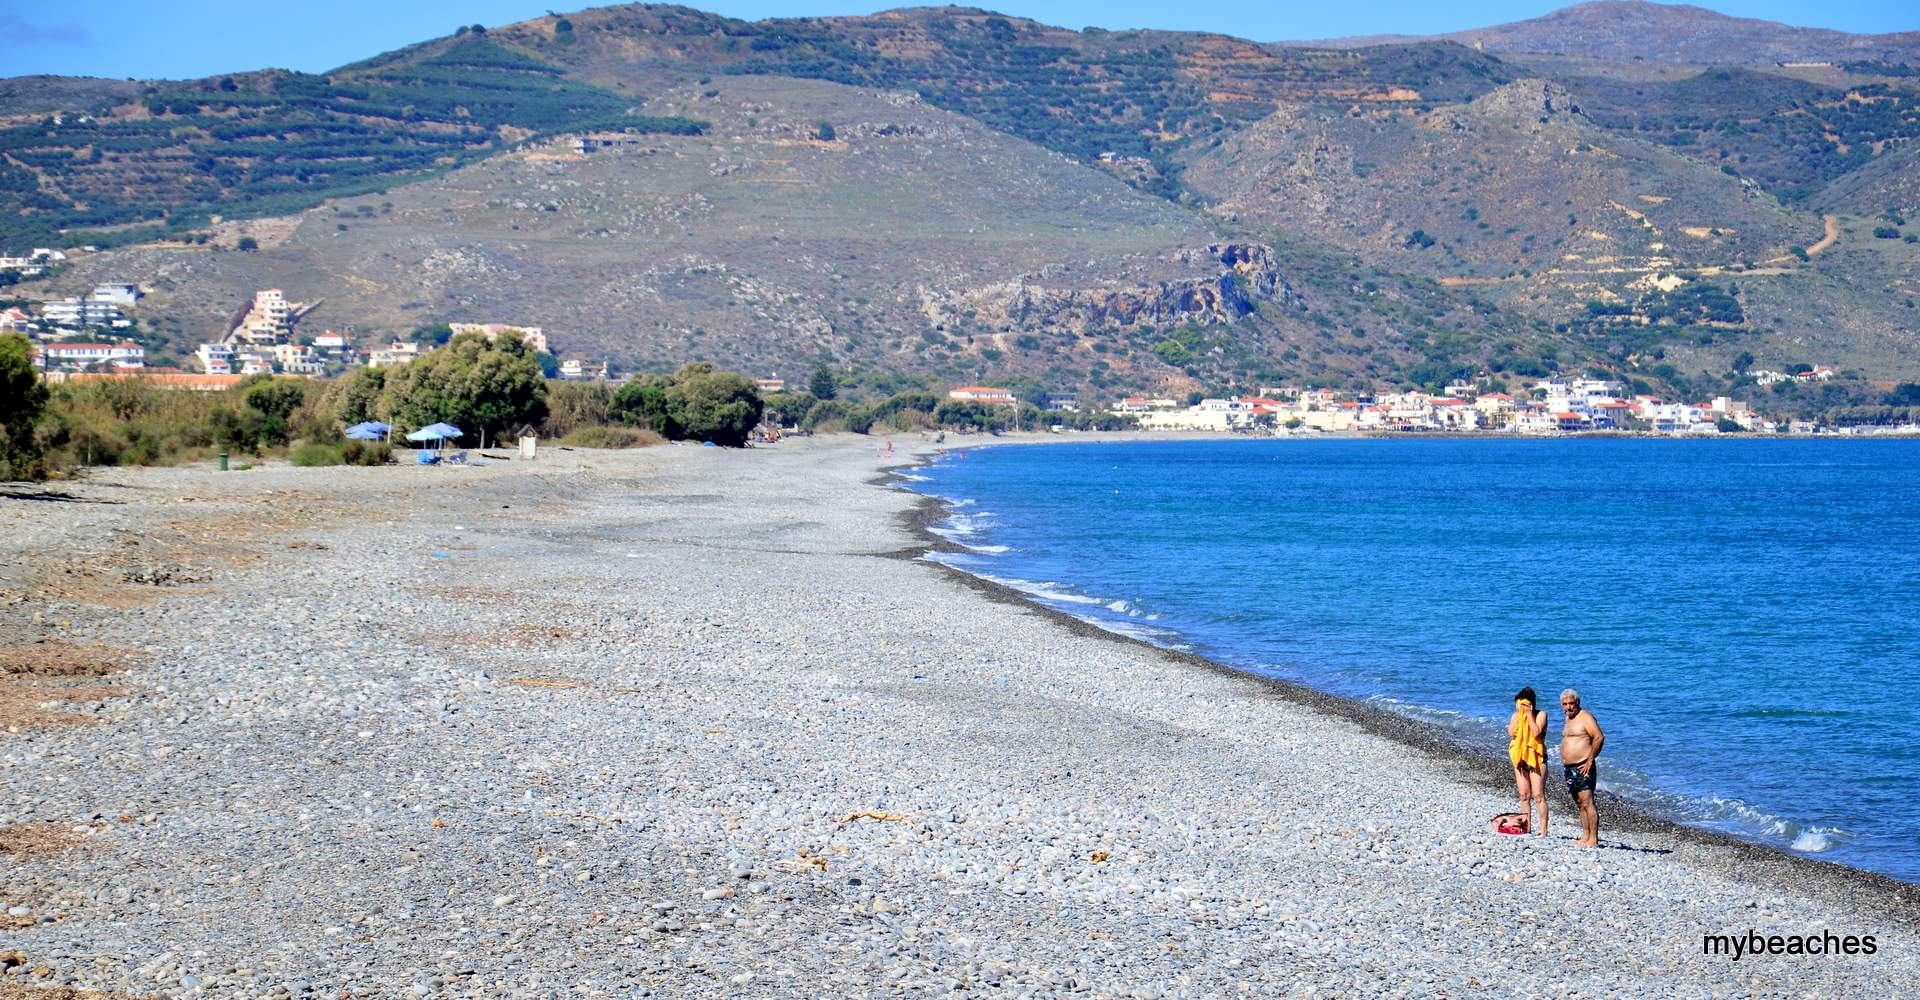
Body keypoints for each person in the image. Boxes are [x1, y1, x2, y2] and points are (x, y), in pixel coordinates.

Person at [1560, 688, 1605, 847]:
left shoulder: (1585, 717)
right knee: (1579, 803)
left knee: (1587, 802)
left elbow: (1599, 737)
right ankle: (1585, 836)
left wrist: (1590, 760)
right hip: (1570, 767)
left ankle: (1593, 839)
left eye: (1571, 703)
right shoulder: (1568, 718)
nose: (1568, 707)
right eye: (1565, 704)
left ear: (1577, 703)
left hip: (1583, 766)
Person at [1507, 687, 1548, 836]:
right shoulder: (1516, 715)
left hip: (1537, 758)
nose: (1520, 707)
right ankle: (1526, 828)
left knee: (1538, 796)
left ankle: (1543, 831)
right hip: (1521, 757)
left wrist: (1529, 716)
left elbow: (1537, 732)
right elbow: (1511, 732)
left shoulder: (1541, 715)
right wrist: (1519, 716)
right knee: (1524, 795)